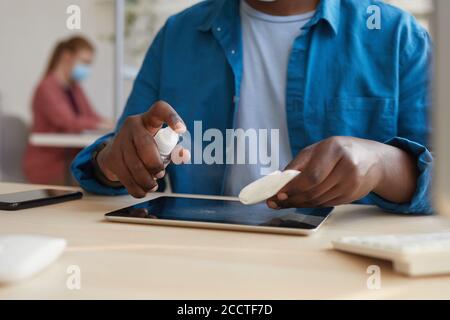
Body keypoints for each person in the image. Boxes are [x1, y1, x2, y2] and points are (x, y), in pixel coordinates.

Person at [72, 0, 433, 214]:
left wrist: (383, 165)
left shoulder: (396, 35)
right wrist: (113, 162)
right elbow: (119, 159)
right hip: (201, 256)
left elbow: (441, 185)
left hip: (341, 266)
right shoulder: (179, 34)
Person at [24, 36, 112, 185]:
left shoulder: (75, 88)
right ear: (66, 56)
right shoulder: (46, 88)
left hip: (70, 160)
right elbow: (69, 122)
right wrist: (101, 124)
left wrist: (109, 123)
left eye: (89, 64)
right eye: (84, 62)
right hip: (50, 164)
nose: (86, 68)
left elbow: (91, 116)